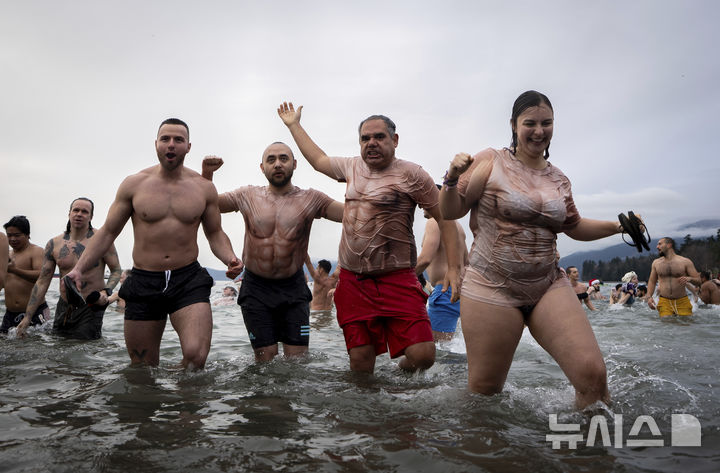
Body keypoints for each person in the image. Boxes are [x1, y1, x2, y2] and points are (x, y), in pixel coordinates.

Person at [439, 90, 627, 408]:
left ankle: (585, 455)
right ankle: (490, 457)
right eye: (530, 123)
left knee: (593, 377)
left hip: (546, 284)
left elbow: (573, 226)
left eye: (547, 123)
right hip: (491, 286)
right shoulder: (490, 161)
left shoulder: (559, 179)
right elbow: (450, 210)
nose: (539, 131)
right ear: (514, 125)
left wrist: (618, 227)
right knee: (485, 394)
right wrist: (452, 177)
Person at [278, 102, 461, 374]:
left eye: (379, 137)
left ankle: (398, 374)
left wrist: (455, 269)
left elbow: (444, 217)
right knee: (361, 363)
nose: (371, 143)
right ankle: (366, 414)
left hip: (397, 277)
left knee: (423, 355)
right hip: (354, 281)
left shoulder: (413, 174)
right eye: (365, 138)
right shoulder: (352, 167)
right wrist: (294, 125)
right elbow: (319, 161)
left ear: (394, 140)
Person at [66, 118, 243, 369]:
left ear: (188, 146)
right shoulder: (134, 184)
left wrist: (230, 258)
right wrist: (78, 269)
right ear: (156, 144)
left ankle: (183, 404)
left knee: (196, 358)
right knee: (142, 367)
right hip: (144, 280)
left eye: (178, 140)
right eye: (165, 139)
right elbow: (107, 233)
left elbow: (215, 233)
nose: (171, 145)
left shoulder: (203, 188)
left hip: (187, 278)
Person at [202, 142, 343, 361]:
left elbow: (351, 214)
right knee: (264, 360)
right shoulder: (247, 195)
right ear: (262, 167)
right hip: (256, 287)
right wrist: (207, 174)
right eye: (271, 160)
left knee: (297, 361)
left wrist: (360, 183)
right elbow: (208, 203)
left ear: (294, 164)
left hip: (293, 287)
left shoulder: (312, 199)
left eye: (284, 159)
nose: (278, 164)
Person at [16, 198, 123, 339]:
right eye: (76, 210)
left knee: (84, 351)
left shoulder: (101, 240)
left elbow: (116, 270)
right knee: (59, 348)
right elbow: (42, 281)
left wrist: (105, 291)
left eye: (84, 211)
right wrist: (28, 317)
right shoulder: (54, 244)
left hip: (90, 306)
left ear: (91, 217)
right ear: (69, 213)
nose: (79, 214)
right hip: (64, 305)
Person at [416, 206, 468, 341]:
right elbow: (467, 263)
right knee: (452, 347)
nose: (421, 206)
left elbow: (425, 258)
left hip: (444, 292)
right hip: (461, 293)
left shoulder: (434, 222)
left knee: (436, 349)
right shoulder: (458, 227)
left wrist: (400, 278)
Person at [1, 216, 48, 334]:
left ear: (27, 235)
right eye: (9, 235)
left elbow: (42, 276)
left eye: (17, 235)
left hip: (34, 312)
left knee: (32, 347)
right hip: (10, 313)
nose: (12, 239)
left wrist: (15, 270)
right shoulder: (7, 254)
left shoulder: (36, 251)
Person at [647, 237, 701, 317]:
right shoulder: (656, 263)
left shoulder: (685, 262)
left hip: (682, 301)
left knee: (686, 326)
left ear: (669, 245)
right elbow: (652, 281)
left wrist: (690, 279)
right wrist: (649, 297)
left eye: (660, 244)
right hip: (664, 301)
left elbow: (699, 280)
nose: (657, 247)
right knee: (666, 327)